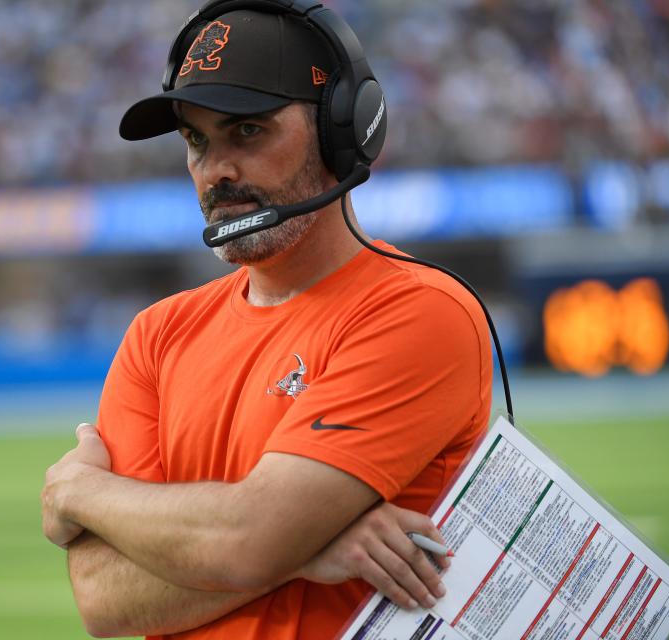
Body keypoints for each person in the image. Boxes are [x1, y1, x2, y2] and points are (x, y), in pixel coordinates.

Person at [41, 3, 492, 638]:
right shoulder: (156, 335)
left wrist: (76, 493)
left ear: (345, 128)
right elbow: (104, 597)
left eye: (247, 132)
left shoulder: (420, 312)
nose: (215, 171)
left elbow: (249, 542)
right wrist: (303, 552)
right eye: (196, 140)